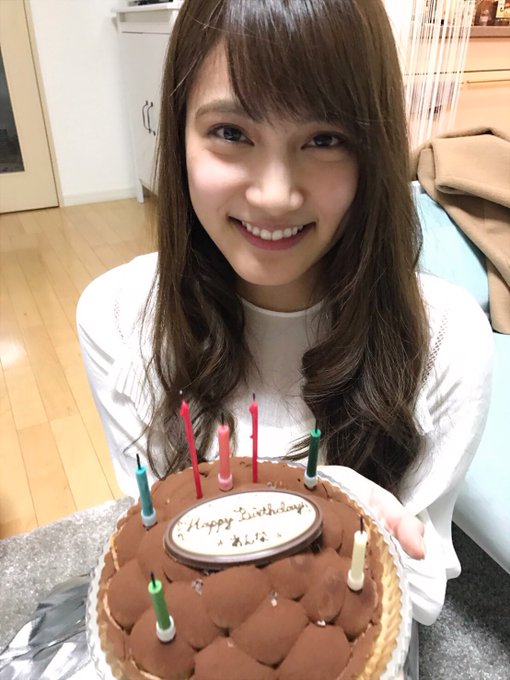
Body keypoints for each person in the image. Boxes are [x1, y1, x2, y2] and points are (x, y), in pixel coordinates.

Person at [77, 0, 492, 656]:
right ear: (177, 130)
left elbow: (422, 593)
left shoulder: (446, 339)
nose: (274, 194)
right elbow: (155, 545)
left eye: (323, 139)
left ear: (372, 148)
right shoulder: (120, 317)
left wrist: (347, 508)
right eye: (231, 132)